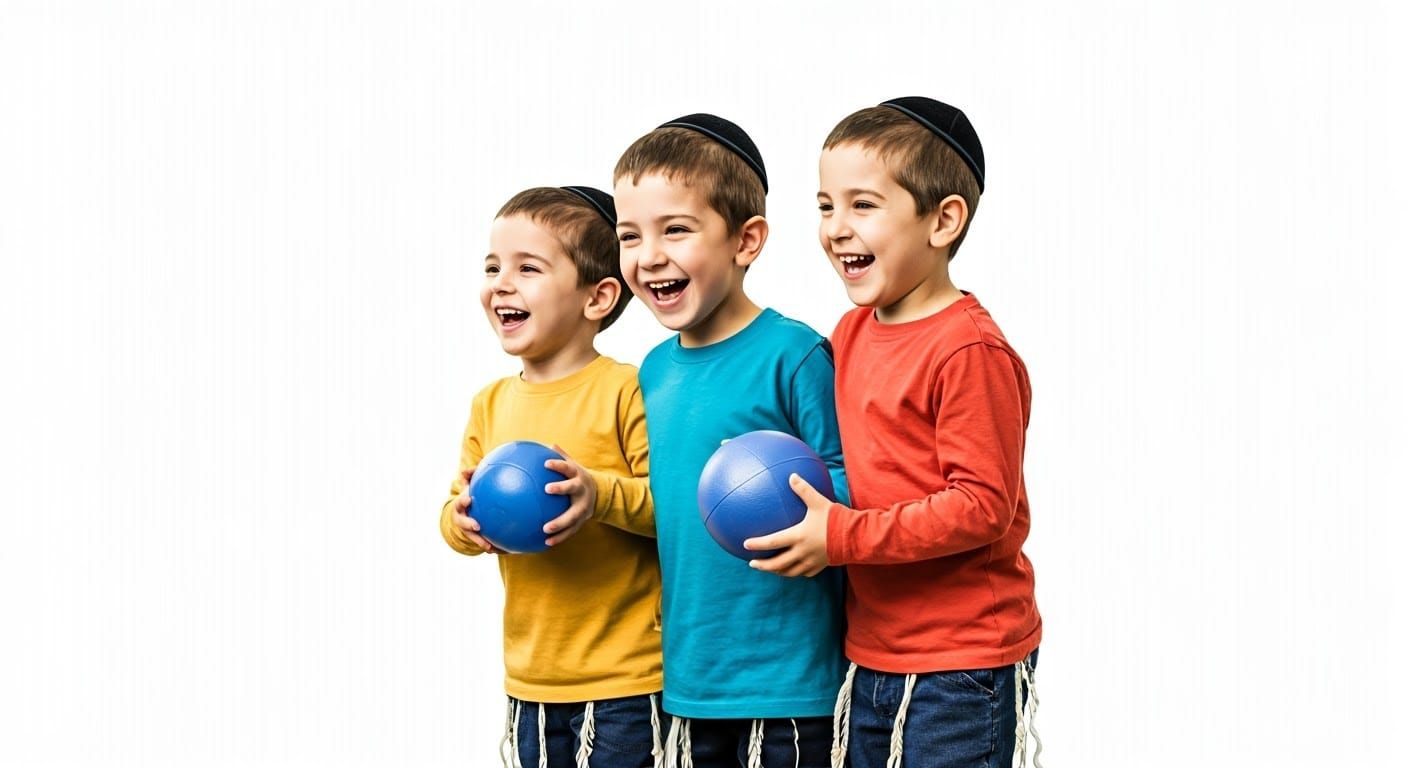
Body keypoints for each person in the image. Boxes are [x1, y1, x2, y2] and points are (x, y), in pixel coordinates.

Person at [748, 98, 1043, 768]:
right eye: (826, 206)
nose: (836, 229)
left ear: (943, 221)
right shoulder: (850, 333)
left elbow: (980, 507)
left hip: (960, 662)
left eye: (863, 206)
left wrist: (842, 537)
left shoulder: (968, 352)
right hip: (870, 650)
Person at [613, 114, 849, 767]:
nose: (649, 255)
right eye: (629, 235)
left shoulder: (793, 354)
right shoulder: (652, 372)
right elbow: (656, 506)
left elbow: (852, 477)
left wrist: (819, 526)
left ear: (746, 241)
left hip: (791, 687)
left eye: (676, 230)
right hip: (688, 681)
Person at [440, 186, 663, 767]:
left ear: (598, 297)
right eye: (493, 266)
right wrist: (461, 525)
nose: (501, 283)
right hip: (531, 679)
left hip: (627, 678)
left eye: (528, 268)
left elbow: (671, 511)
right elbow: (452, 508)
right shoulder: (490, 404)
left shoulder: (626, 390)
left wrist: (597, 495)